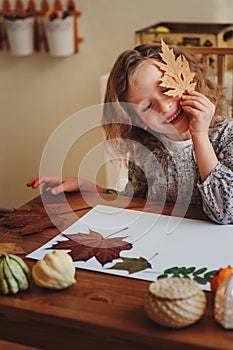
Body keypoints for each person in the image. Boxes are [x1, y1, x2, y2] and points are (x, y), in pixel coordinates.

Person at [27, 43, 233, 224]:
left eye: (166, 89)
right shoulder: (146, 150)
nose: (164, 106)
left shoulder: (228, 136)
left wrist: (199, 135)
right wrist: (93, 189)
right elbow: (135, 203)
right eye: (146, 106)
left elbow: (226, 212)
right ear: (136, 120)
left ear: (189, 80)